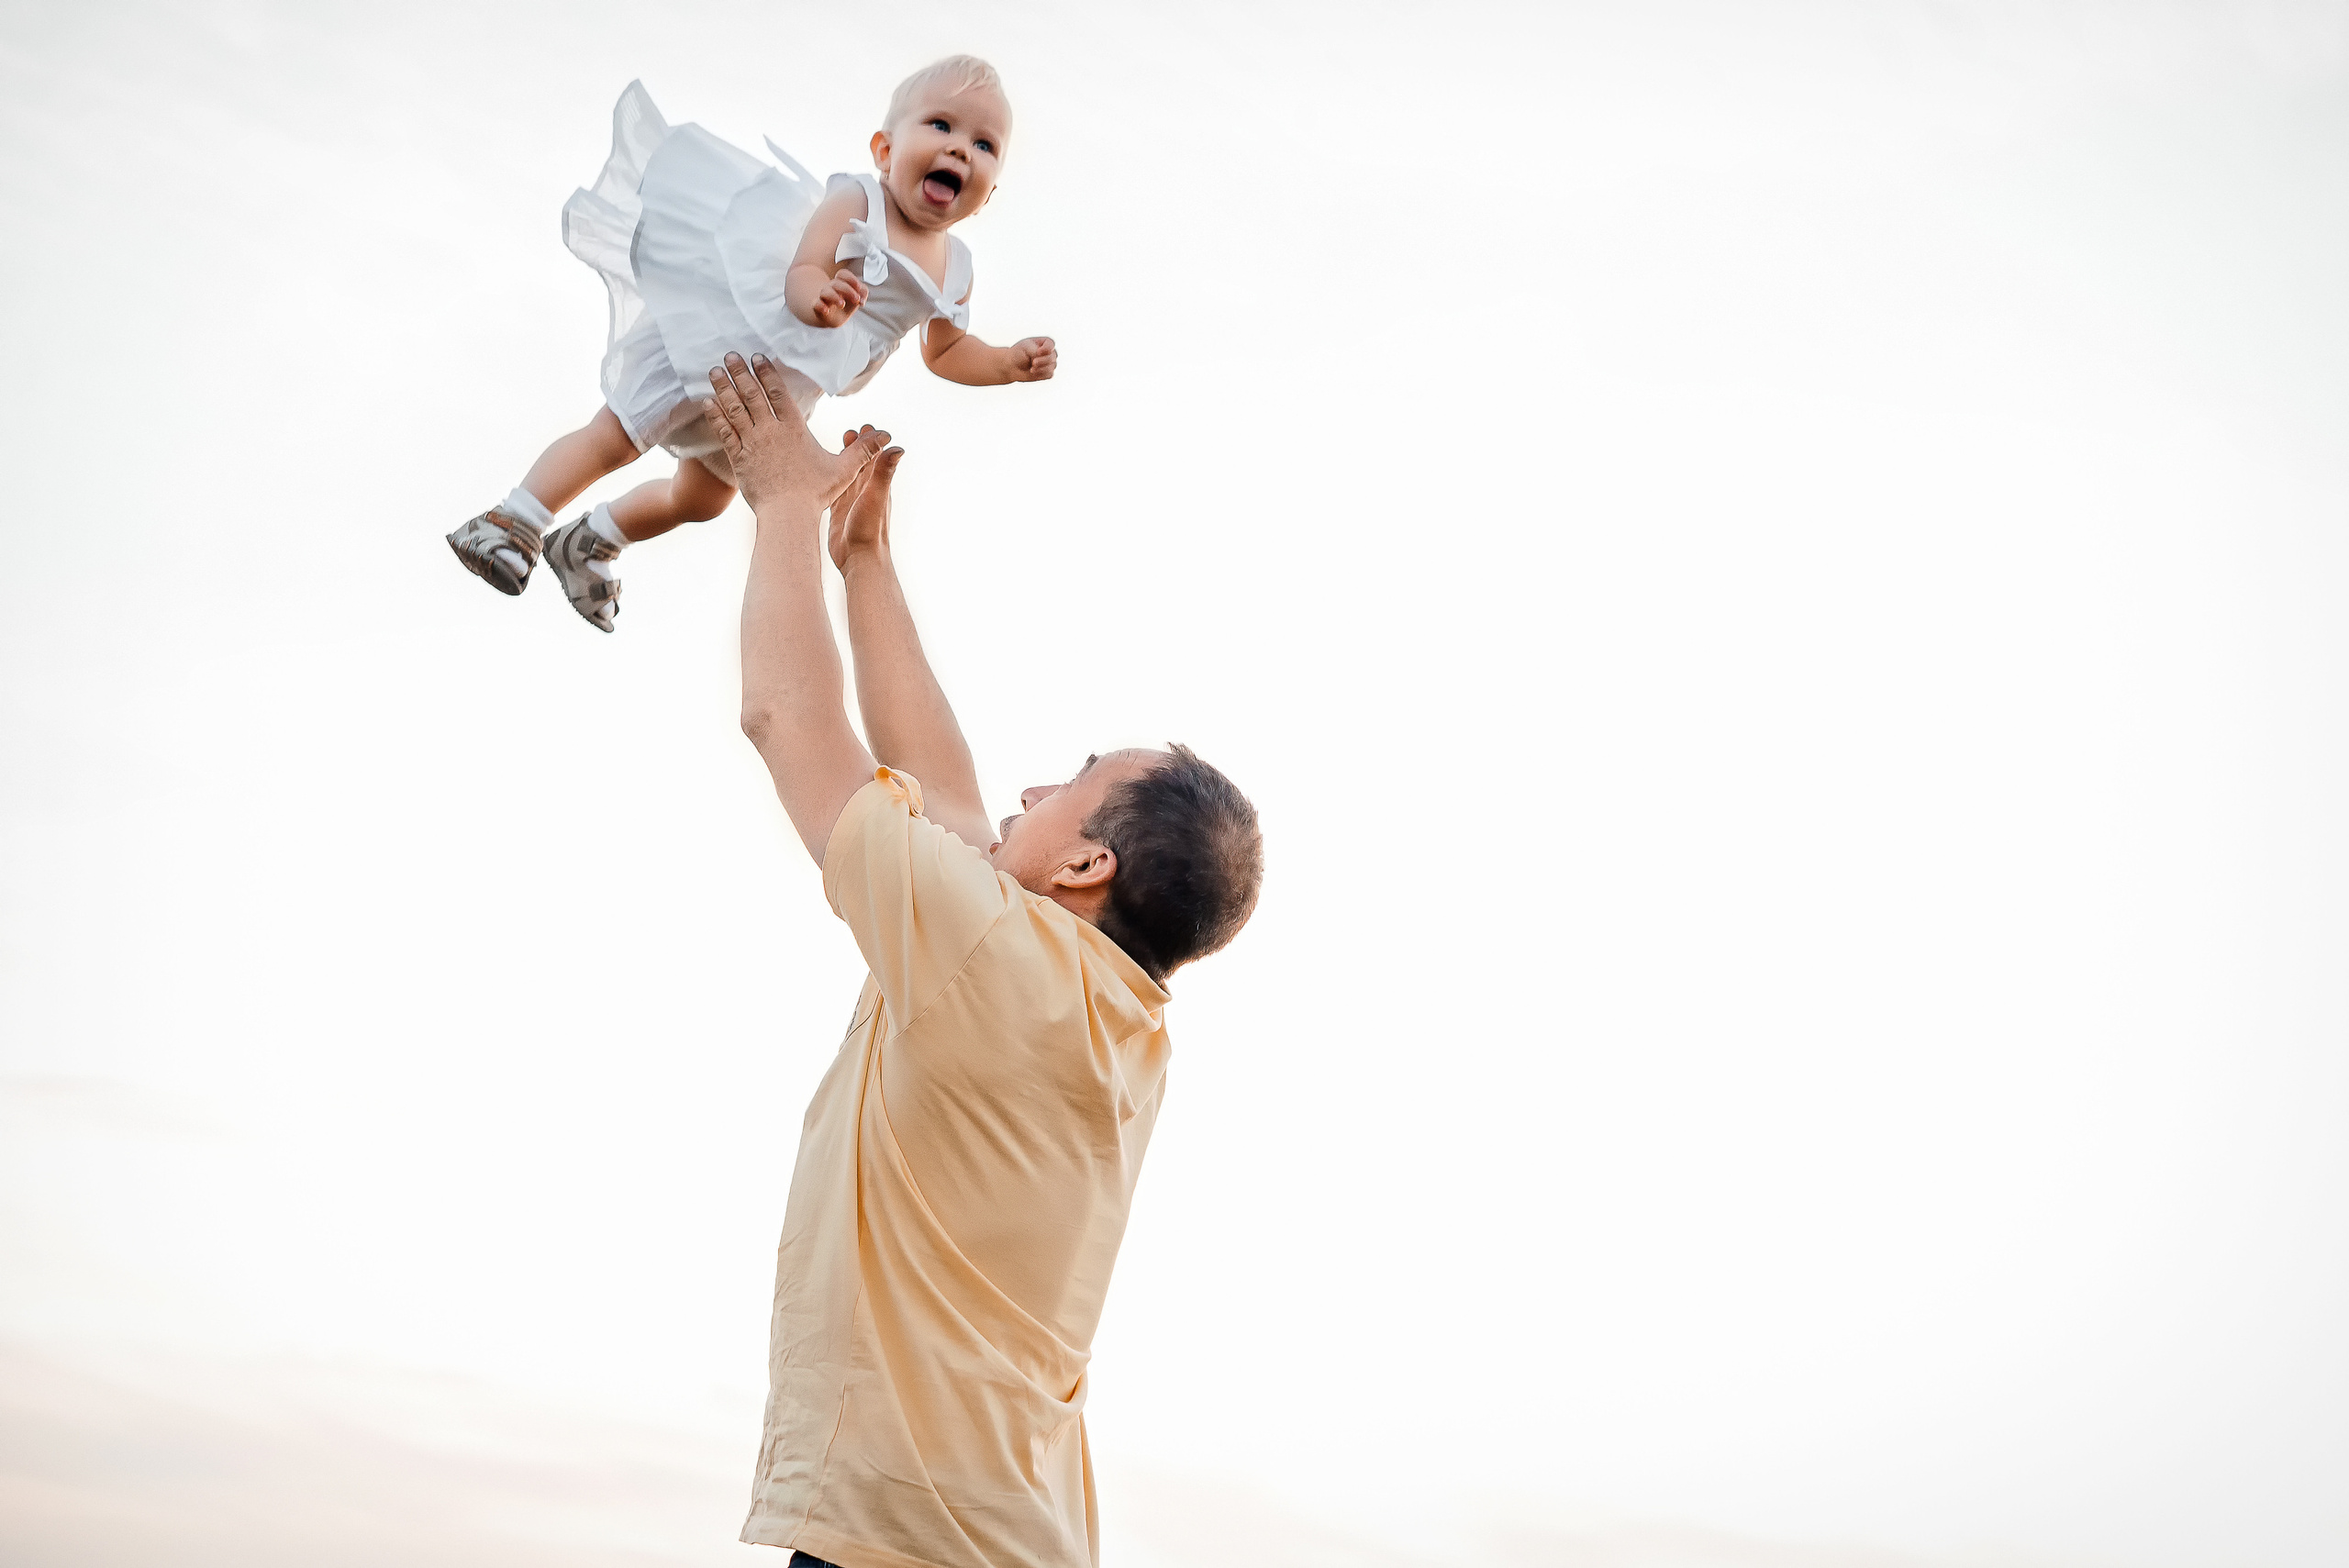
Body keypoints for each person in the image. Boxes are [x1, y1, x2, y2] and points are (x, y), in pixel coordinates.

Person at [701, 351, 1263, 1568]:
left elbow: (786, 720)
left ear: (1087, 866)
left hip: (902, 1546)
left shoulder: (996, 962)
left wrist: (782, 498)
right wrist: (865, 561)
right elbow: (947, 798)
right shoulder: (1105, 1014)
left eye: (1070, 785)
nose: (1031, 786)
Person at [446, 57, 1056, 631]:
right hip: (728, 338)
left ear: (988, 196)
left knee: (704, 498)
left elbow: (945, 351)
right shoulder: (858, 200)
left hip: (777, 393)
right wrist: (820, 300)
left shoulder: (957, 268)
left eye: (984, 145)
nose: (960, 148)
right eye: (941, 125)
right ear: (885, 151)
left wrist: (1006, 363)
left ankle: (591, 540)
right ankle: (511, 519)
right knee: (620, 435)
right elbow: (804, 269)